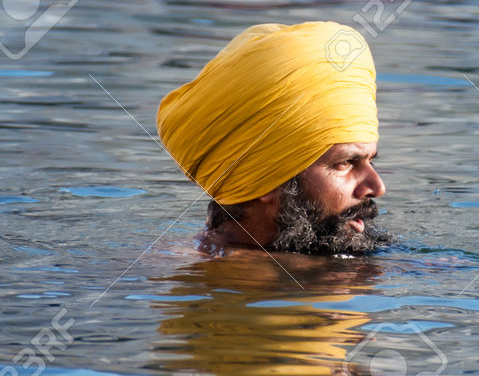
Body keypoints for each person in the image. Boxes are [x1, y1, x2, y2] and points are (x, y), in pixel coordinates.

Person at [157, 21, 393, 256]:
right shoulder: (220, 276)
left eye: (370, 161)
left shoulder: (318, 268)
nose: (377, 187)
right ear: (266, 179)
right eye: (345, 163)